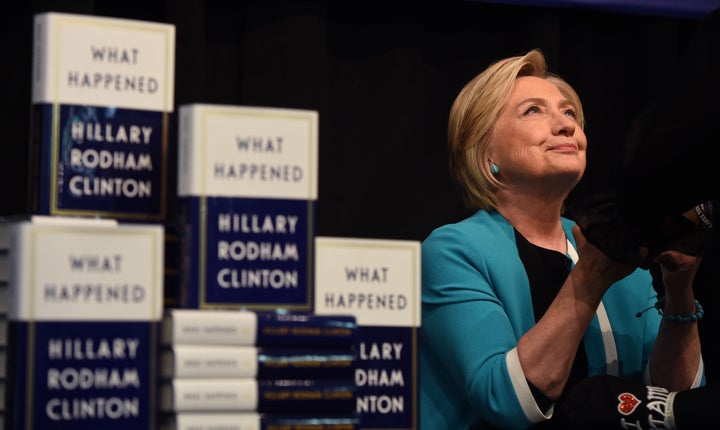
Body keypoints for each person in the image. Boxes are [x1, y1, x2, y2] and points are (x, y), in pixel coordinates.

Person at [419, 48, 706, 429]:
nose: (565, 126)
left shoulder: (621, 261)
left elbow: (669, 404)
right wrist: (590, 277)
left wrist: (679, 291)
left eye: (569, 112)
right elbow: (507, 401)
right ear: (485, 151)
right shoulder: (454, 253)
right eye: (533, 111)